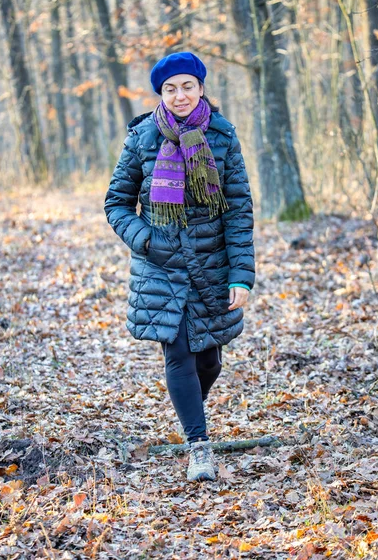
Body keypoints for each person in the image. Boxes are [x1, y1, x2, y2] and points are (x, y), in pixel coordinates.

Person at [104, 52, 255, 482]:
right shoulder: (143, 137)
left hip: (210, 265)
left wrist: (242, 273)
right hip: (162, 264)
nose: (179, 95)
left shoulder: (223, 137)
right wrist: (146, 238)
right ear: (162, 94)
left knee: (209, 362)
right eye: (170, 89)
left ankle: (189, 414)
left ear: (201, 88)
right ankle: (199, 446)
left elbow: (239, 209)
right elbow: (116, 203)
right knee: (180, 356)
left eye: (187, 85)